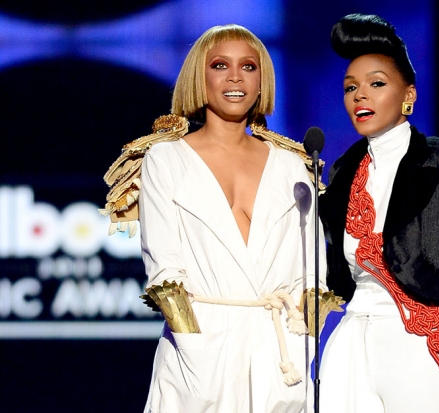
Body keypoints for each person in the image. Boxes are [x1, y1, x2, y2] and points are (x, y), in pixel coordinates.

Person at [104, 24, 326, 413]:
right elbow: (165, 270)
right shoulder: (166, 159)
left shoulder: (292, 165)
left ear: (262, 81)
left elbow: (313, 273)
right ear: (198, 77)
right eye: (221, 65)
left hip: (280, 359)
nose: (236, 76)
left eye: (249, 66)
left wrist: (301, 343)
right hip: (198, 362)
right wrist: (195, 348)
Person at [318, 14, 439, 413]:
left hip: (423, 342)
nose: (360, 96)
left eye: (376, 84)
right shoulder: (343, 172)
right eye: (351, 88)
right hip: (352, 339)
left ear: (408, 95)